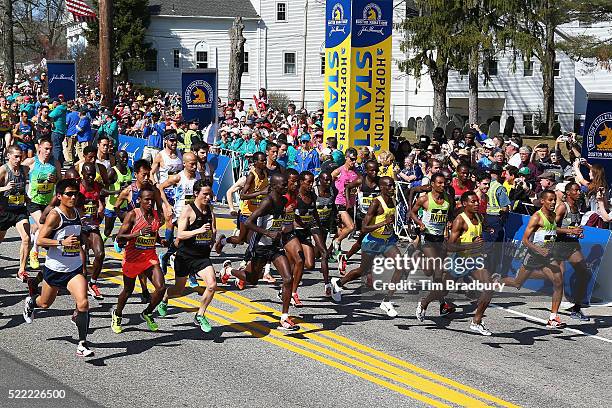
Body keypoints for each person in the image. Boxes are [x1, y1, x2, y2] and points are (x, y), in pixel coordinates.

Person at [22, 178, 94, 357]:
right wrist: (62, 242)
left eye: (75, 194)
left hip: (73, 268)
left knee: (83, 303)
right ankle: (31, 302)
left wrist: (85, 244)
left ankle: (82, 344)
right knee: (45, 303)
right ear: (60, 196)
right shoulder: (55, 215)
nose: (73, 197)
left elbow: (76, 238)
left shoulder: (77, 212)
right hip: (55, 269)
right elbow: (40, 240)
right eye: (69, 194)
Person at [220, 173, 299, 331]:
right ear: (275, 186)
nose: (286, 187)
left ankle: (284, 318)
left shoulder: (283, 200)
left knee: (288, 278)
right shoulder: (267, 201)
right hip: (260, 245)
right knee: (252, 279)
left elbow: (277, 219)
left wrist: (280, 227)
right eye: (283, 185)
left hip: (274, 246)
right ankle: (228, 270)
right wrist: (268, 233)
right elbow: (248, 222)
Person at [331, 176, 404, 318]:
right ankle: (338, 283)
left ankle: (387, 301)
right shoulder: (376, 203)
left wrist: (391, 230)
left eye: (393, 186)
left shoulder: (393, 201)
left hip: (387, 242)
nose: (392, 188)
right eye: (389, 186)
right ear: (381, 188)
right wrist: (383, 224)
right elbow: (364, 227)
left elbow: (389, 221)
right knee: (362, 271)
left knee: (401, 266)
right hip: (372, 241)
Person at [502, 190, 569, 329]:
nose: (552, 203)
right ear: (542, 201)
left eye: (554, 200)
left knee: (558, 281)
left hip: (547, 256)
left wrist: (570, 231)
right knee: (517, 283)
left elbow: (553, 230)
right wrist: (539, 249)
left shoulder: (553, 215)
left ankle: (553, 318)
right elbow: (525, 240)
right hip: (533, 256)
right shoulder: (536, 217)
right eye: (549, 200)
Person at [156, 182, 219, 332]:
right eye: (205, 194)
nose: (208, 197)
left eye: (210, 194)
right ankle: (164, 298)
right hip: (185, 256)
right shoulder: (188, 210)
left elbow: (214, 229)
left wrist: (213, 239)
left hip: (202, 257)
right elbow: (181, 234)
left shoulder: (210, 210)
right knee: (178, 290)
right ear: (196, 193)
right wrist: (198, 231)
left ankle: (200, 315)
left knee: (212, 285)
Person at [112, 185, 166, 333]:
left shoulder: (156, 215)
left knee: (161, 288)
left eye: (152, 200)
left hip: (150, 258)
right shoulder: (133, 215)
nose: (150, 203)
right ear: (140, 200)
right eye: (147, 200)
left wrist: (160, 240)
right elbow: (119, 237)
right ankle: (117, 314)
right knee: (128, 291)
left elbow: (153, 232)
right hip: (132, 259)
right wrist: (137, 233)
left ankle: (147, 313)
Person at [447, 191, 498, 336]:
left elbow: (480, 228)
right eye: (473, 202)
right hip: (459, 260)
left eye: (478, 201)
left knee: (489, 288)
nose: (477, 204)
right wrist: (471, 245)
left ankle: (476, 321)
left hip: (475, 260)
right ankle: (424, 303)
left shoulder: (479, 216)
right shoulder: (459, 220)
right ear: (464, 204)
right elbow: (450, 246)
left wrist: (487, 229)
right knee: (441, 290)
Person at [411, 173, 456, 320]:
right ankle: (429, 304)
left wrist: (449, 224)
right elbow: (412, 212)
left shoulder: (447, 199)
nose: (443, 186)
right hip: (427, 239)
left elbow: (449, 215)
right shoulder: (424, 199)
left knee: (431, 273)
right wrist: (420, 223)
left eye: (444, 183)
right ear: (432, 183)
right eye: (439, 183)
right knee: (439, 269)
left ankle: (419, 258)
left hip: (439, 239)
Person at [215, 151, 269, 254]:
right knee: (241, 240)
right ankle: (222, 241)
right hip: (246, 213)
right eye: (262, 160)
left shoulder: (265, 173)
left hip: (258, 212)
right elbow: (242, 195)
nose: (265, 162)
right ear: (255, 162)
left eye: (265, 160)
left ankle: (250, 262)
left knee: (252, 240)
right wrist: (261, 192)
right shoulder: (251, 176)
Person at [158, 152, 201, 276]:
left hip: (193, 214)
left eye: (195, 164)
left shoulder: (198, 177)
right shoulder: (178, 177)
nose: (194, 167)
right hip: (180, 214)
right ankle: (191, 273)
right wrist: (167, 204)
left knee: (182, 241)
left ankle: (166, 256)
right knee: (190, 242)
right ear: (184, 164)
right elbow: (160, 188)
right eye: (192, 164)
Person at [23, 137, 62, 270]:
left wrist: (55, 179)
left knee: (36, 229)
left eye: (50, 149)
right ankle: (34, 252)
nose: (48, 151)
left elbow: (60, 182)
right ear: (39, 147)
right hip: (33, 201)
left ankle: (33, 241)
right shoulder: (30, 162)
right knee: (43, 226)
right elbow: (18, 176)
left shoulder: (55, 163)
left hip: (48, 202)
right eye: (46, 148)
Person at [553, 182, 590, 321]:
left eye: (579, 190)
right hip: (559, 245)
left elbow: (573, 226)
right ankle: (554, 316)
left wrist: (577, 232)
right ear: (568, 193)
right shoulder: (562, 207)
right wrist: (570, 231)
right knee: (559, 279)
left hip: (572, 244)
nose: (579, 193)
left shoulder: (577, 206)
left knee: (583, 272)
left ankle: (576, 309)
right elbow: (551, 228)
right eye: (576, 190)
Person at [0, 145, 31, 281]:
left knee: (26, 238)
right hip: (4, 212)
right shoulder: (3, 170)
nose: (19, 159)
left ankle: (22, 270)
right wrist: (4, 188)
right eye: (16, 156)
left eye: (20, 156)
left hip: (19, 210)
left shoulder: (24, 169)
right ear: (8, 156)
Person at [77, 162, 105, 300]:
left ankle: (92, 283)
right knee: (81, 264)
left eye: (93, 175)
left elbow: (100, 200)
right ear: (82, 173)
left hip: (92, 226)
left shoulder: (97, 186)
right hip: (77, 228)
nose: (91, 177)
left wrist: (101, 208)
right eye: (88, 174)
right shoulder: (77, 187)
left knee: (100, 254)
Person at [330, 148, 361, 261]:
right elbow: (329, 179)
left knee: (341, 230)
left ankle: (331, 252)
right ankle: (336, 242)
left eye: (355, 159)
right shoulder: (339, 170)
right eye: (351, 159)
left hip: (350, 203)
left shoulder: (356, 172)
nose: (353, 162)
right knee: (351, 226)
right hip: (340, 202)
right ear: (346, 158)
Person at [102, 150, 133, 242]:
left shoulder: (129, 169)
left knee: (129, 228)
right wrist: (116, 192)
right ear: (117, 159)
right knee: (107, 231)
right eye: (122, 157)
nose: (125, 159)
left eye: (126, 157)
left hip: (123, 207)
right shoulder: (112, 172)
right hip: (112, 206)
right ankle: (101, 242)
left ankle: (117, 237)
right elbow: (102, 191)